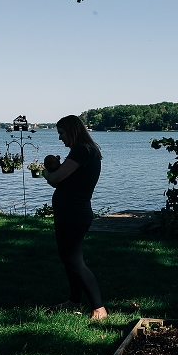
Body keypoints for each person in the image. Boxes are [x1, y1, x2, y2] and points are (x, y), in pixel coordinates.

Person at [43, 115, 108, 321]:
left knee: (74, 260)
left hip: (74, 213)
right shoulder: (83, 151)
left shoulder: (82, 151)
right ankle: (74, 301)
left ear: (72, 131)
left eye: (61, 133)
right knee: (67, 258)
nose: (60, 138)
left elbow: (56, 178)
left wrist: (45, 172)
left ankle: (99, 308)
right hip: (69, 212)